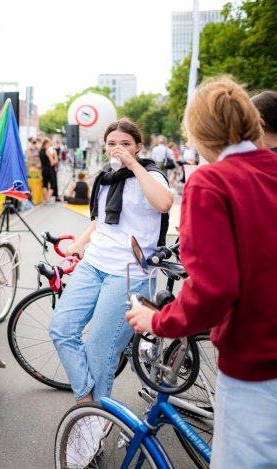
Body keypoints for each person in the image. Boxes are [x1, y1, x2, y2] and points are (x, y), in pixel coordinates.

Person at [126, 76, 277, 469]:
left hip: (257, 365)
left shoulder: (211, 181)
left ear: (201, 135)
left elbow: (214, 288)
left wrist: (158, 321)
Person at [49, 118, 172, 466]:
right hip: (94, 264)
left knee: (100, 351)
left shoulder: (151, 174)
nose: (117, 149)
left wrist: (134, 165)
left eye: (125, 143)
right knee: (61, 328)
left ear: (138, 147)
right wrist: (80, 243)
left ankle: (91, 425)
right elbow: (101, 220)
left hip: (128, 272)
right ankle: (90, 408)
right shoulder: (106, 176)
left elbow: (164, 203)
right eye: (112, 143)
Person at [38, 138, 58, 205]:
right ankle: (48, 199)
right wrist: (55, 156)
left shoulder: (40, 151)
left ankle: (46, 198)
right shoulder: (47, 151)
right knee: (53, 184)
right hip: (49, 169)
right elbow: (53, 161)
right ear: (46, 143)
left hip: (43, 169)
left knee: (45, 184)